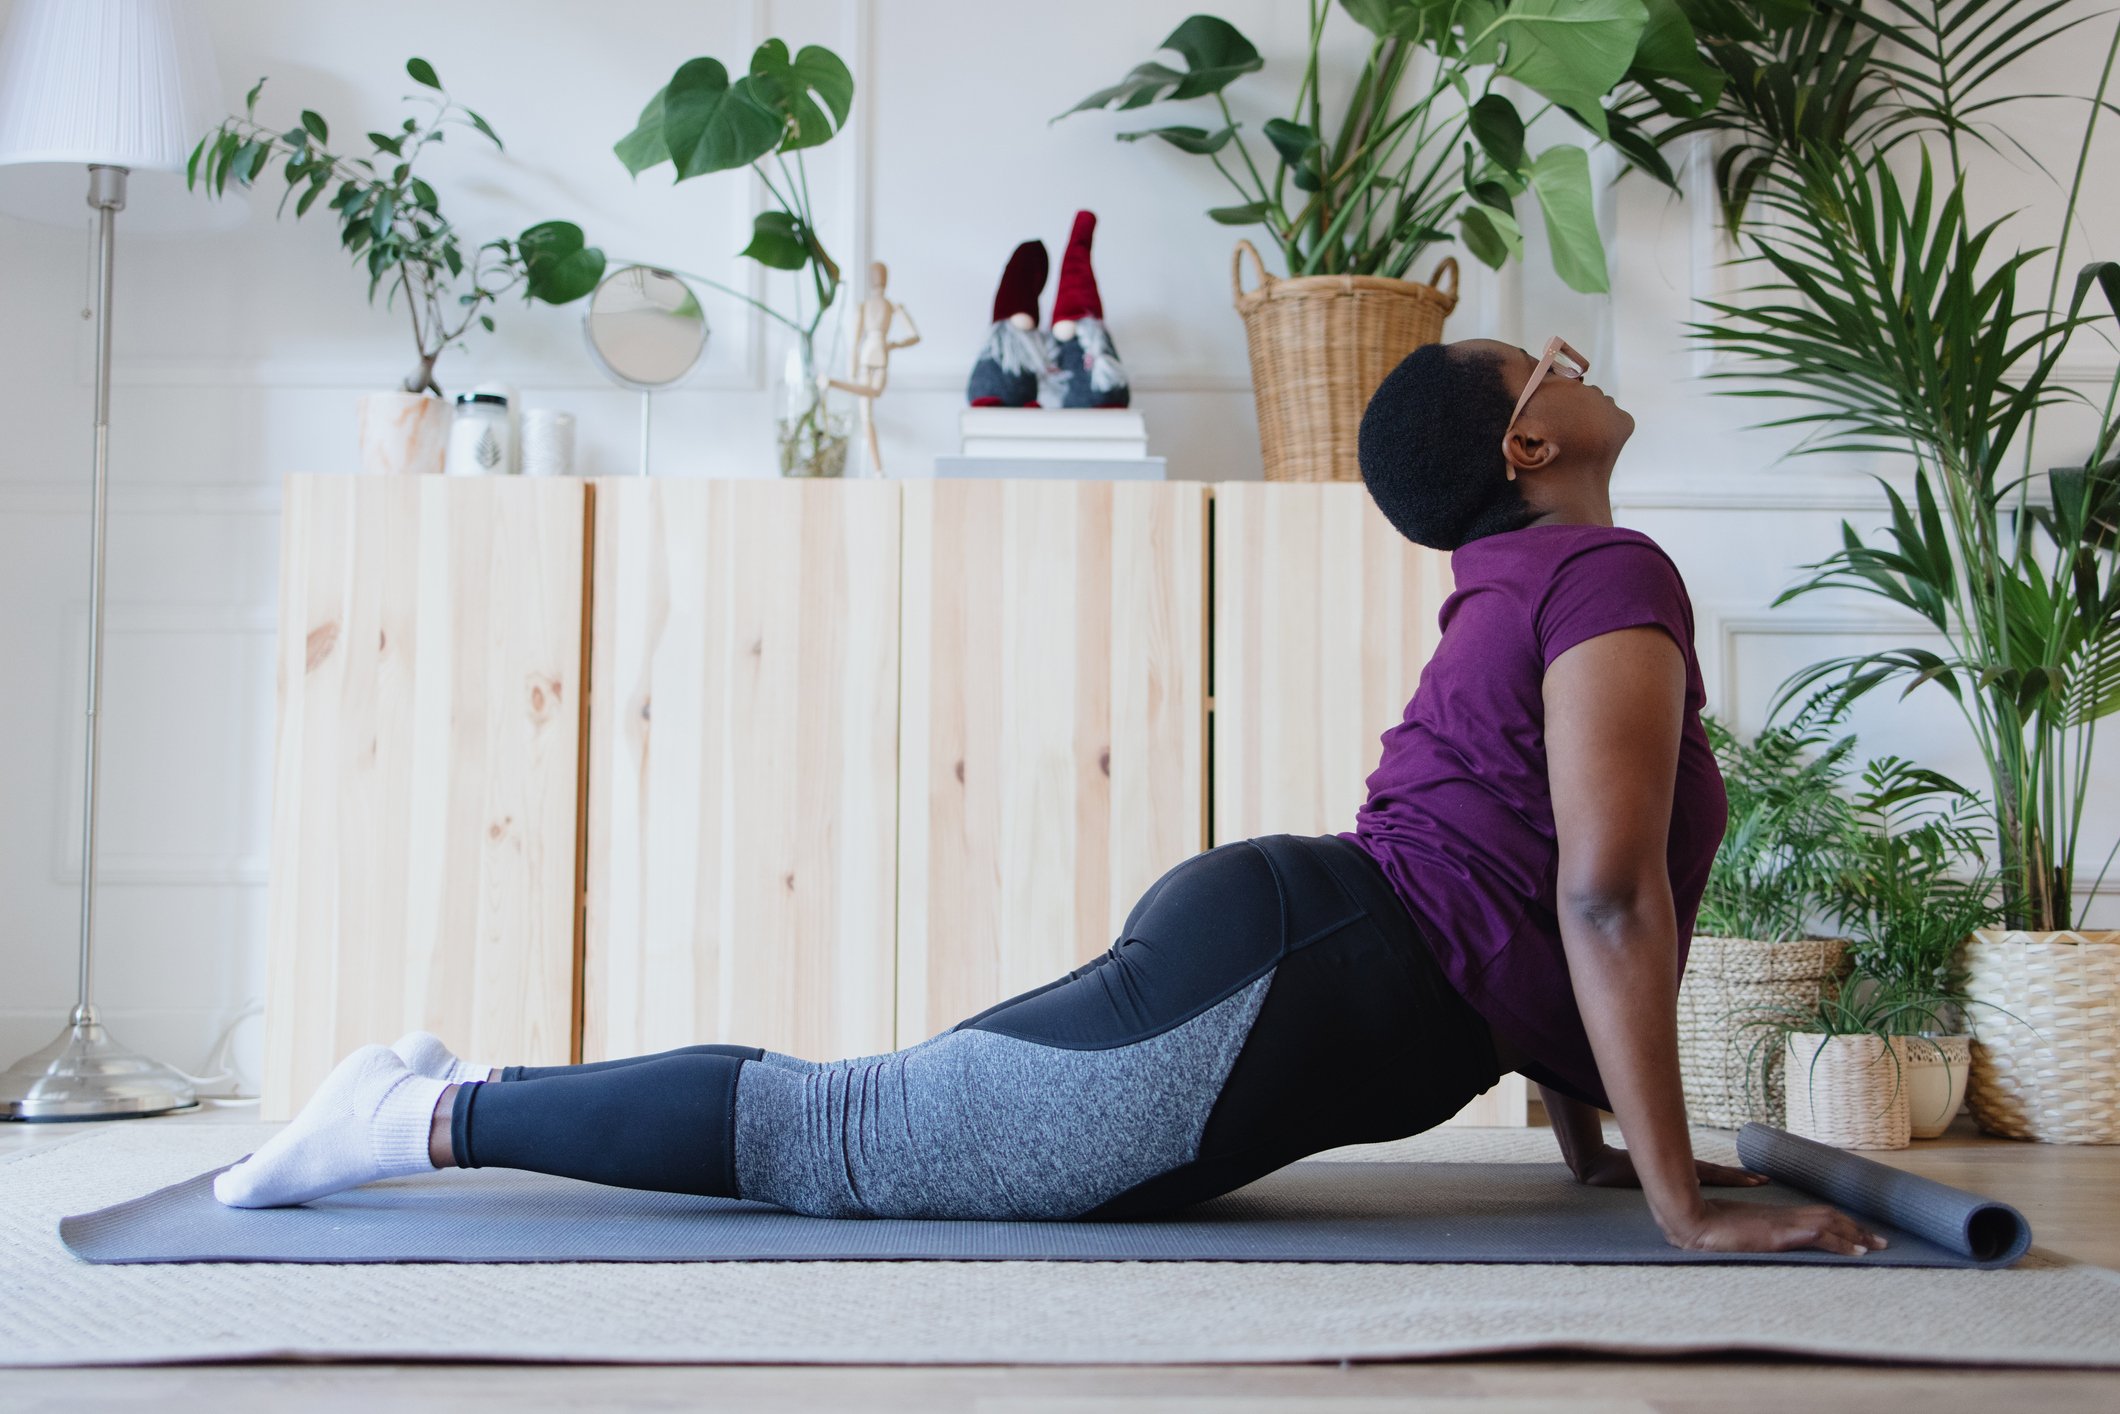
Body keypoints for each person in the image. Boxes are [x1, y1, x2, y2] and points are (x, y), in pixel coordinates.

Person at [215, 335, 1887, 1258]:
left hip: (1296, 951)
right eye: (1550, 364)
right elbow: (1597, 896)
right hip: (1282, 971)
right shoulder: (1605, 576)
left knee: (870, 1109)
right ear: (1528, 452)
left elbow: (1534, 879)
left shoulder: (1558, 582)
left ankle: (439, 1088)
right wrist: (1680, 1206)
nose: (1579, 361)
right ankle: (416, 1115)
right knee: (840, 1138)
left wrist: (1602, 1145)